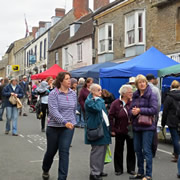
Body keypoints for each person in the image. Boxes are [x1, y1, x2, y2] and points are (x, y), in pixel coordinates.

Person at [42, 72, 77, 180]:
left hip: (68, 128)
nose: (69, 81)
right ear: (61, 81)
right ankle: (45, 169)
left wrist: (71, 122)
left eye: (70, 78)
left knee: (64, 152)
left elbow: (74, 108)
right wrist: (64, 122)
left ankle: (62, 177)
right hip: (54, 127)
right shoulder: (54, 94)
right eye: (67, 79)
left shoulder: (73, 93)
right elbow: (53, 111)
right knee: (51, 152)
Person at [129, 74, 158, 180]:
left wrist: (140, 110)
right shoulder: (135, 95)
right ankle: (140, 172)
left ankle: (148, 174)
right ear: (136, 84)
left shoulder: (151, 95)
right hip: (137, 126)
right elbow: (130, 109)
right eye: (139, 82)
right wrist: (132, 112)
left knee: (146, 150)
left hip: (148, 127)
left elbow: (154, 110)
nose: (142, 84)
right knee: (137, 149)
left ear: (146, 83)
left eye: (143, 82)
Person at [85, 83, 111, 180]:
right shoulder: (90, 101)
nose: (101, 92)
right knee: (97, 152)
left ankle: (99, 170)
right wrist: (100, 100)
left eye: (100, 89)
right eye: (98, 90)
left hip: (102, 129)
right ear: (92, 91)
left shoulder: (96, 100)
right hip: (96, 129)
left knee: (102, 151)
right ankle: (94, 173)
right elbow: (98, 108)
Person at [109, 84, 135, 176]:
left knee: (131, 149)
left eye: (131, 92)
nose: (131, 94)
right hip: (119, 130)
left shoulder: (133, 102)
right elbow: (110, 116)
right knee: (118, 149)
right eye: (129, 92)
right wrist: (112, 129)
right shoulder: (115, 103)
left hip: (131, 129)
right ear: (123, 93)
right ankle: (118, 169)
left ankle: (131, 168)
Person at [161, 80, 180, 163]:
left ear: (171, 87)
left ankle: (177, 155)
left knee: (175, 138)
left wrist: (163, 122)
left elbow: (165, 111)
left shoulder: (169, 97)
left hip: (172, 120)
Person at [146, 74, 161, 157]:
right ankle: (152, 150)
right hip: (153, 114)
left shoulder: (143, 89)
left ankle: (146, 149)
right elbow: (158, 103)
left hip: (144, 114)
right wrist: (156, 113)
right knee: (153, 132)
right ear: (152, 79)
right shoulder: (155, 89)